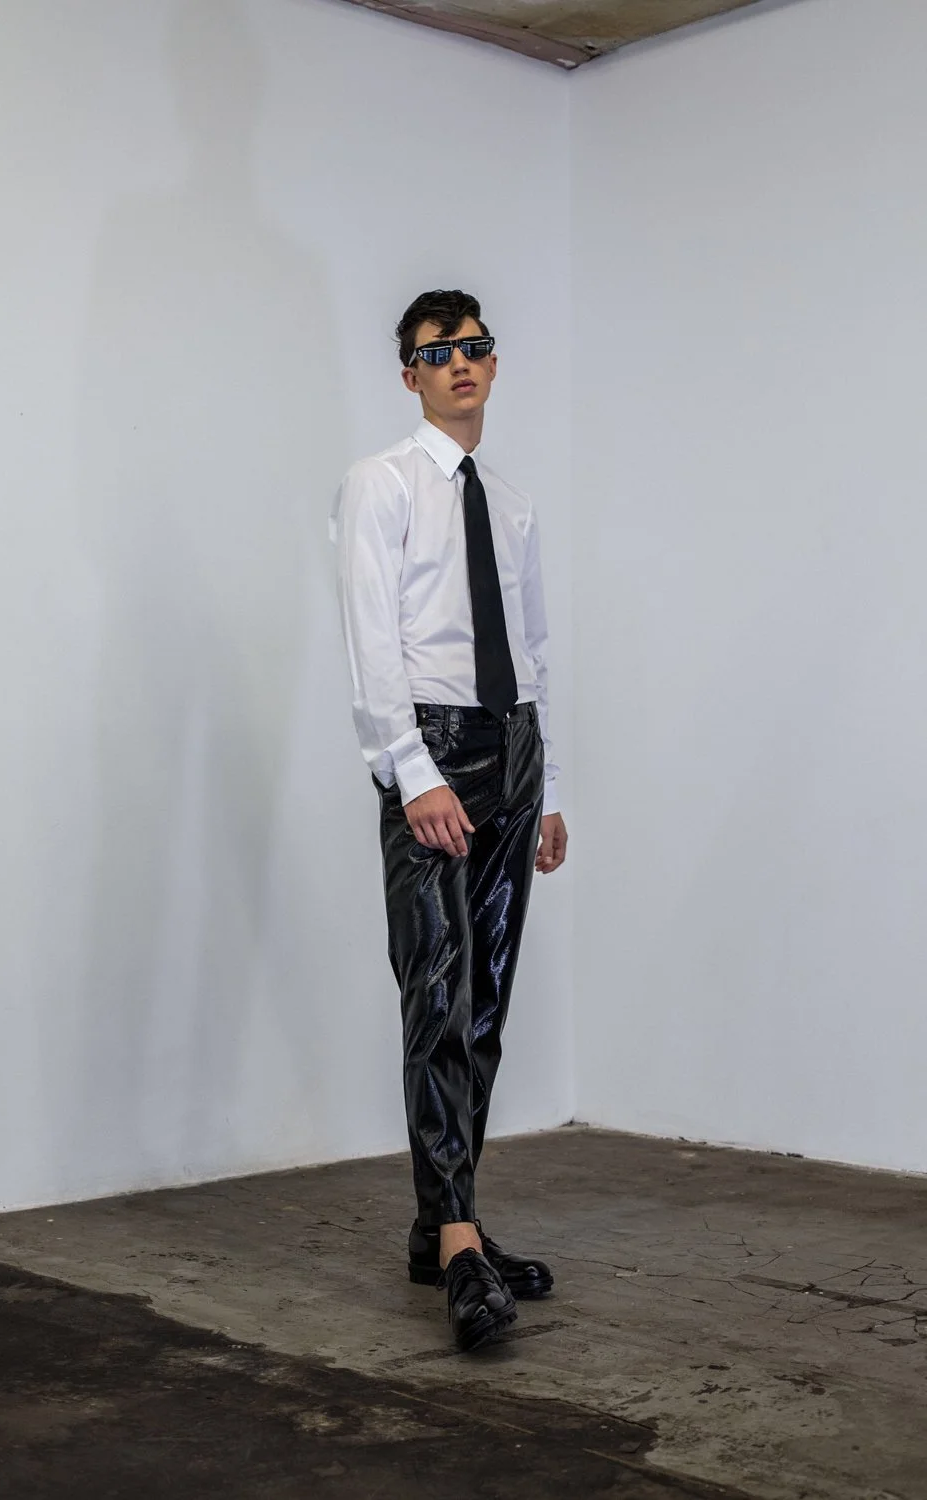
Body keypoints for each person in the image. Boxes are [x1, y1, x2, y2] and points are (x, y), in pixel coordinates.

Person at [330, 289, 567, 1352]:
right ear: (409, 374)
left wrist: (547, 788)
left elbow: (535, 648)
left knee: (484, 1006)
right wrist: (410, 770)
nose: (461, 364)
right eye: (439, 352)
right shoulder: (379, 485)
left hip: (509, 748)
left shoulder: (509, 505)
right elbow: (370, 640)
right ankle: (462, 1242)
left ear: (492, 363)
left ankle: (442, 1229)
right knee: (435, 986)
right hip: (431, 748)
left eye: (475, 348)